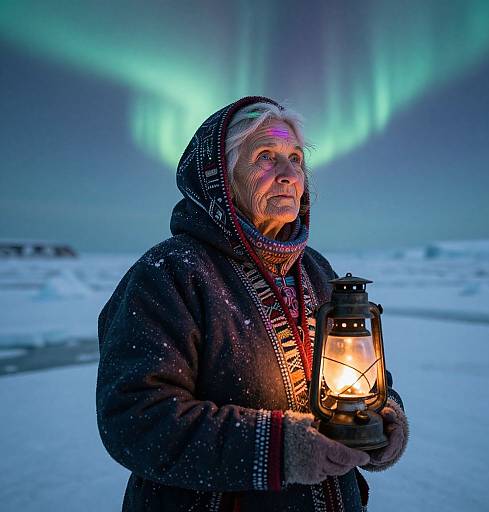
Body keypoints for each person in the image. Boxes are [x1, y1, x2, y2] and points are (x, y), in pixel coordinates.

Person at [96, 96, 408, 512]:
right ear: (222, 179)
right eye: (265, 156)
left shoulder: (317, 271)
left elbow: (356, 371)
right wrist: (279, 448)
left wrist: (384, 416)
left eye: (296, 159)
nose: (288, 174)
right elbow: (134, 417)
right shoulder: (170, 273)